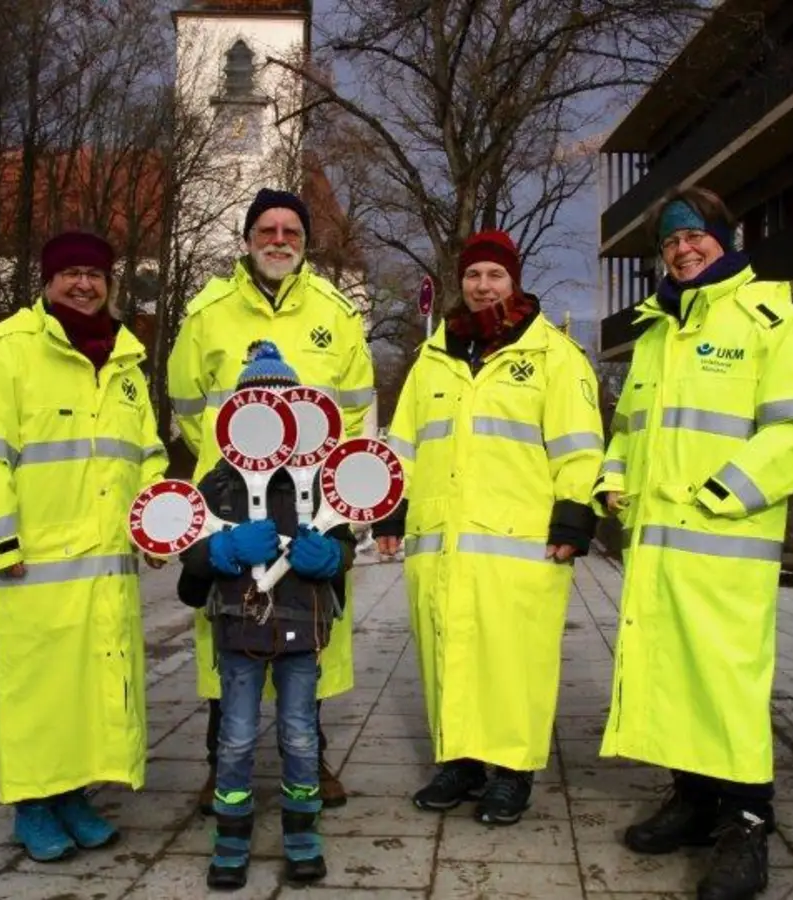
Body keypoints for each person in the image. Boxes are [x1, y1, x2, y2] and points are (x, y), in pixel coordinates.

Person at [593, 186, 793, 900]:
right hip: (660, 551)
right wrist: (613, 480)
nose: (682, 248)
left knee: (727, 687)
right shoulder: (656, 333)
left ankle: (749, 823)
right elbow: (629, 429)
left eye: (695, 235)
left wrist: (727, 490)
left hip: (725, 548)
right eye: (670, 241)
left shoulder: (772, 320)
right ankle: (696, 803)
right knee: (673, 677)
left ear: (726, 239)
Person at [0, 230, 168, 862]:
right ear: (46, 282)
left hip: (104, 568)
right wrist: (2, 540)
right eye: (69, 273)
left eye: (94, 275)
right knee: (36, 695)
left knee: (95, 687)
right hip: (34, 567)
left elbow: (146, 456)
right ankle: (33, 806)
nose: (83, 284)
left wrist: (156, 525)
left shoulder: (125, 363)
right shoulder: (6, 357)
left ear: (110, 285)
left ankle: (74, 795)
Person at [372, 229, 604, 826]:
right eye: (473, 275)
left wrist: (575, 514)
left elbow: (579, 447)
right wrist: (390, 506)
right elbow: (405, 443)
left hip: (522, 544)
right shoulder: (434, 356)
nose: (482, 286)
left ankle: (513, 772)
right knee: (447, 653)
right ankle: (461, 762)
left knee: (514, 660)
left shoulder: (554, 355)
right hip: (442, 541)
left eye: (494, 275)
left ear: (514, 280)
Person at [167, 187, 375, 812]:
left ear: (306, 243)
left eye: (291, 231)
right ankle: (218, 763)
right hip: (229, 493)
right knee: (227, 624)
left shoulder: (337, 313)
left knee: (306, 622)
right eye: (267, 229)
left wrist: (346, 492)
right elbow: (185, 408)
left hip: (313, 495)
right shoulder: (208, 313)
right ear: (248, 238)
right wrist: (239, 463)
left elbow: (359, 412)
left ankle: (307, 755)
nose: (279, 239)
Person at [175, 340, 354, 889]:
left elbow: (344, 541)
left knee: (301, 736)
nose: (269, 420)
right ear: (238, 416)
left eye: (280, 405)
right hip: (237, 631)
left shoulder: (324, 479)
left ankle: (303, 835)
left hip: (303, 633)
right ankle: (232, 837)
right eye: (255, 406)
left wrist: (330, 558)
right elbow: (190, 551)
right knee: (235, 736)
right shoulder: (219, 483)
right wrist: (222, 554)